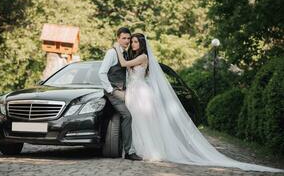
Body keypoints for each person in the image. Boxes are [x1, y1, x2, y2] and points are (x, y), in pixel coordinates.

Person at [113, 33, 283, 172]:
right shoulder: (136, 55)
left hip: (141, 93)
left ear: (141, 44)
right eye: (132, 41)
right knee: (136, 122)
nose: (132, 43)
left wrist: (117, 48)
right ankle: (136, 149)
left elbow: (124, 63)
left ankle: (149, 151)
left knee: (144, 122)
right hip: (134, 92)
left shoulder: (142, 56)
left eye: (135, 41)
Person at [98, 27, 142, 161]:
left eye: (129, 38)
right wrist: (112, 90)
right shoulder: (111, 53)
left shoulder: (126, 53)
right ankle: (129, 151)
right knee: (127, 116)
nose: (127, 41)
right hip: (113, 91)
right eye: (124, 38)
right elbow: (101, 72)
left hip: (123, 90)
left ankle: (129, 147)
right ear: (117, 38)